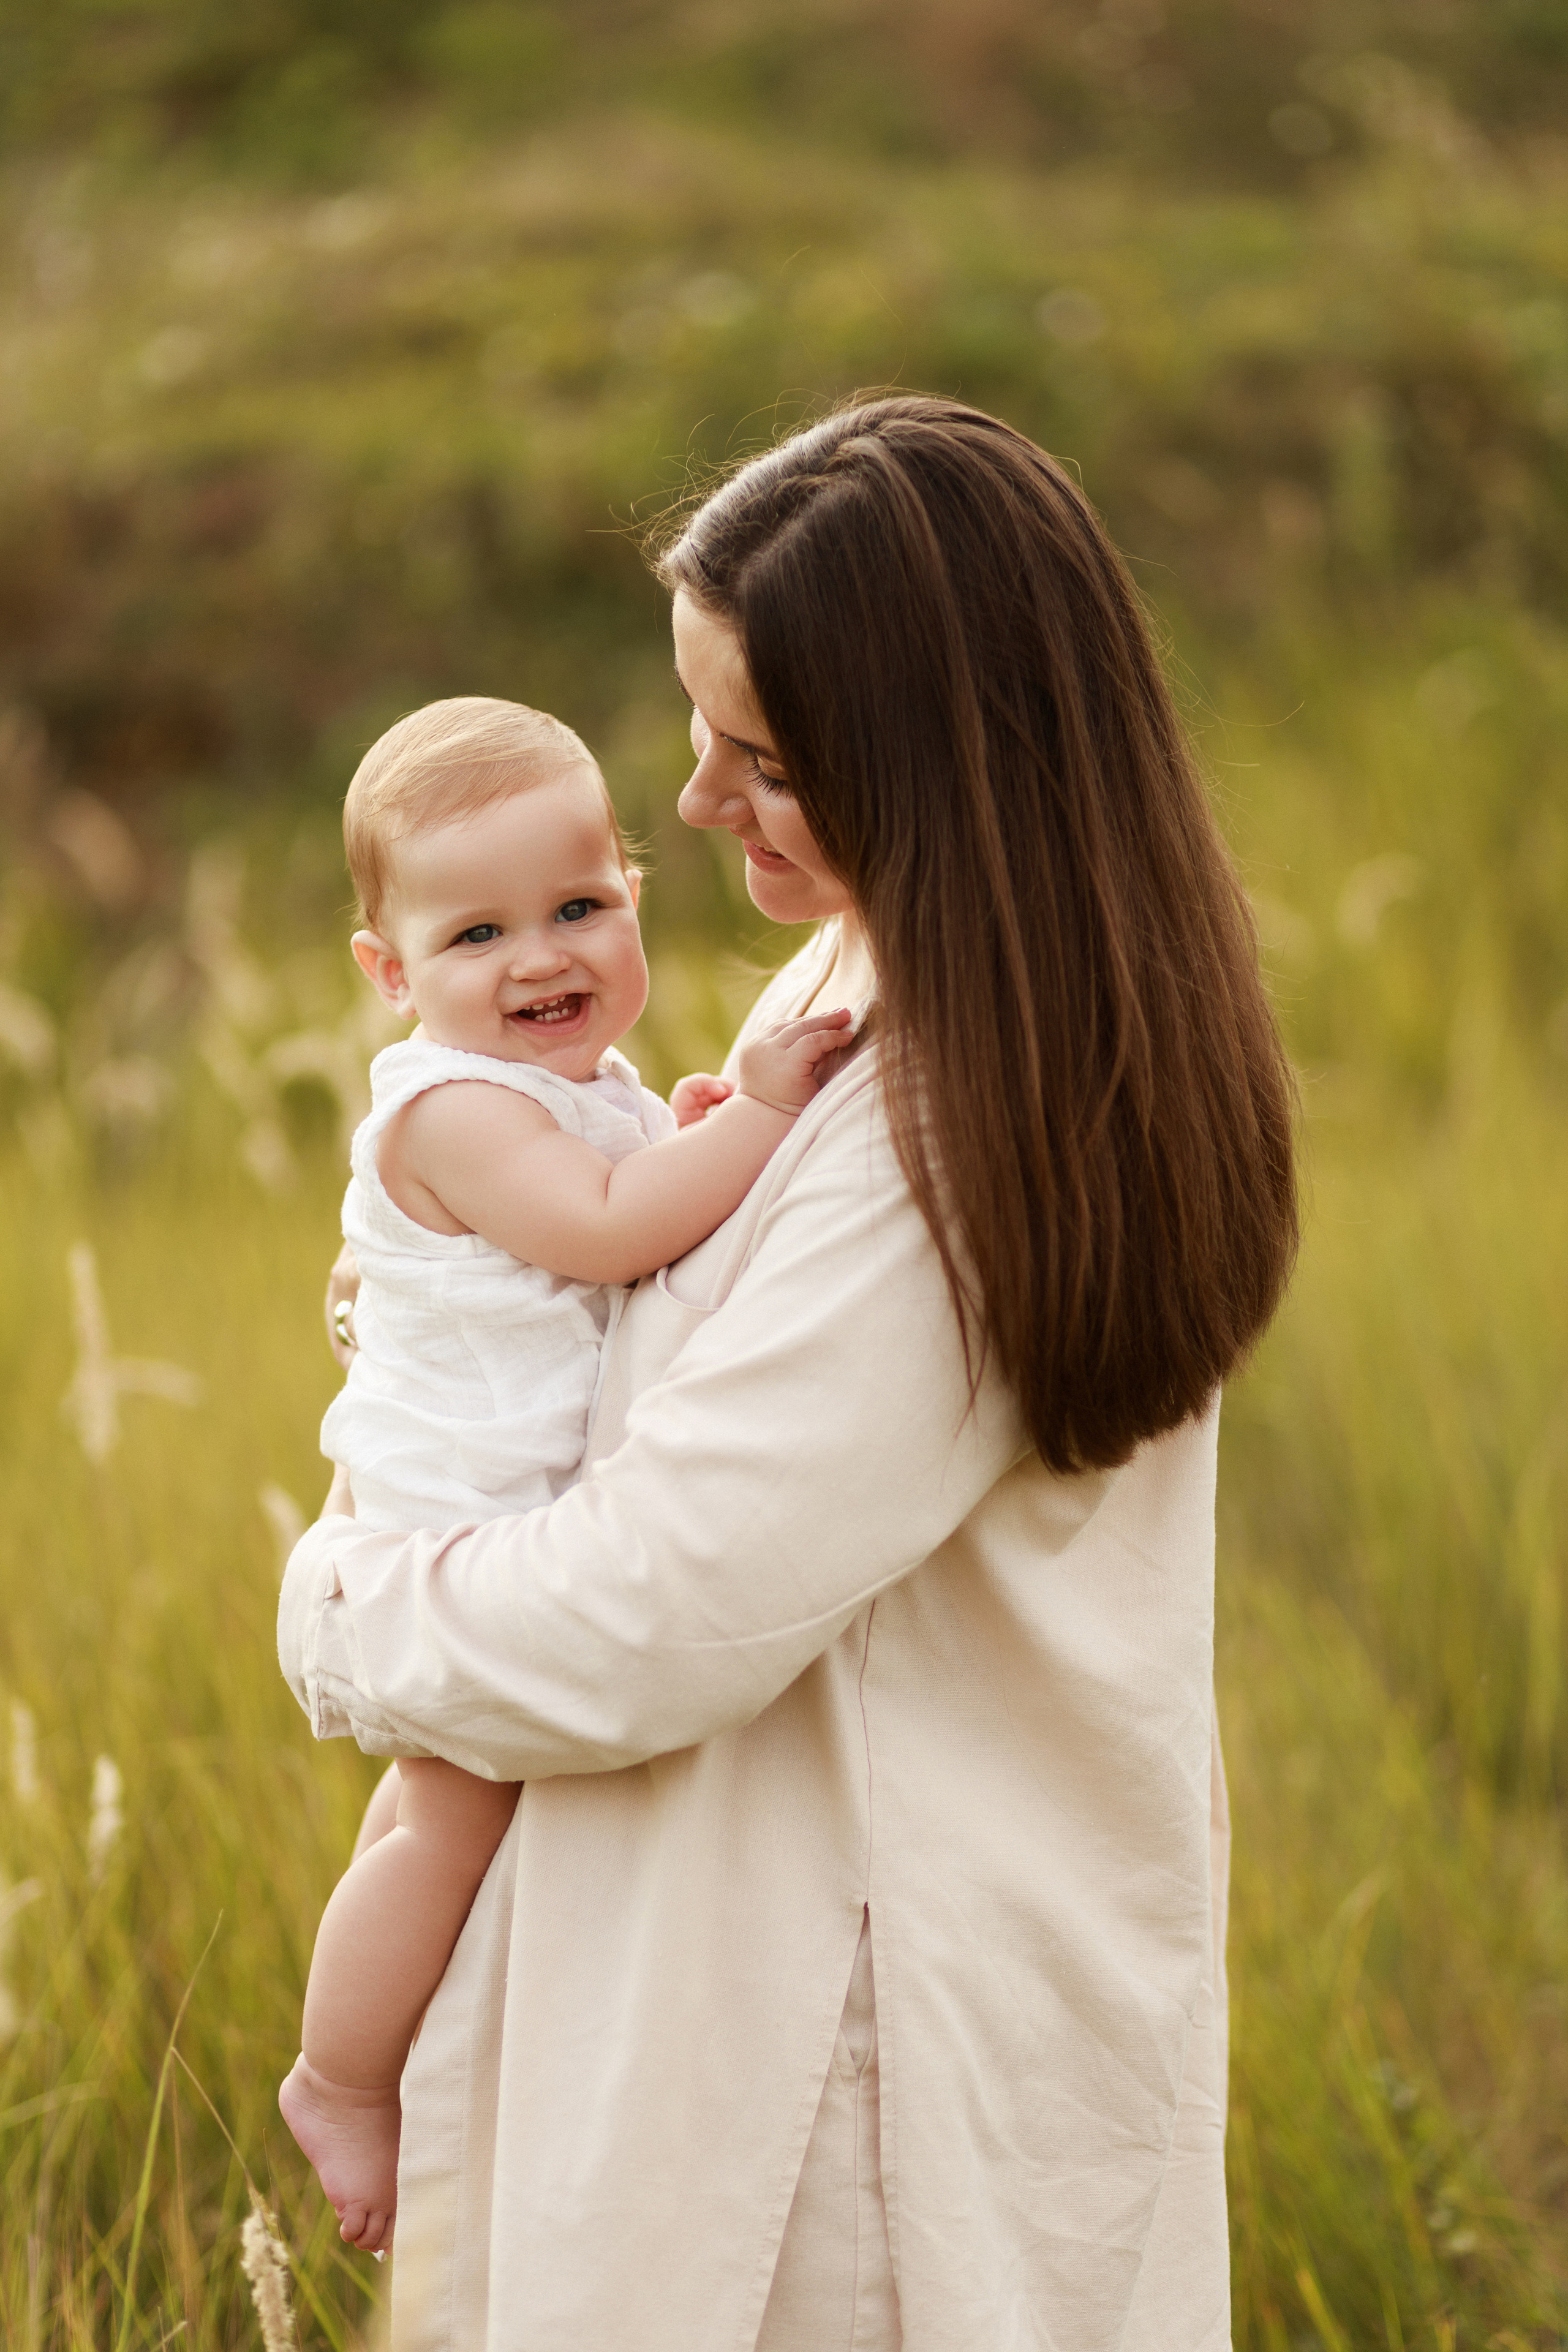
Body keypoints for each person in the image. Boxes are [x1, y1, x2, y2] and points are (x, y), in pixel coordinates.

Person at [279, 394, 1297, 2352]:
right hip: (803, 1979)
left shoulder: (947, 1130)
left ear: (929, 766)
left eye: (761, 758)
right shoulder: (891, 978)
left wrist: (341, 1609)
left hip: (835, 2070)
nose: (688, 808)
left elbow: (649, 1612)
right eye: (699, 730)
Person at [278, 696, 850, 2252]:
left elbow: (611, 1197)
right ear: (389, 975)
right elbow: (604, 1230)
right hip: (442, 1540)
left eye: (580, 906)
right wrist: (768, 1121)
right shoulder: (453, 1105)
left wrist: (685, 1123)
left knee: (443, 1823)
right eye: (476, 934)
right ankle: (340, 2079)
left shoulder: (568, 1079)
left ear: (629, 896)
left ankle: (379, 2058)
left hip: (489, 1519)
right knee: (442, 1830)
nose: (541, 958)